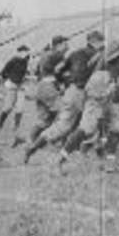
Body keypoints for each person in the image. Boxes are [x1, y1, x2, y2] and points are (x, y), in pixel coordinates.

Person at [58, 26, 119, 170]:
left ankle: (110, 163)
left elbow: (91, 62)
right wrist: (110, 82)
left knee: (117, 128)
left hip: (100, 81)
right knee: (87, 128)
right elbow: (116, 61)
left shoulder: (111, 45)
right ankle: (62, 158)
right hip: (104, 82)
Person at [24, 31, 104, 163]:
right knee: (93, 121)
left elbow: (58, 70)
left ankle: (33, 147)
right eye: (102, 41)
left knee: (64, 125)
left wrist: (67, 81)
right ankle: (92, 150)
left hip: (72, 91)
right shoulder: (98, 54)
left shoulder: (73, 53)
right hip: (85, 92)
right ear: (96, 41)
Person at [24, 35, 69, 150]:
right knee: (64, 113)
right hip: (49, 87)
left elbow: (37, 71)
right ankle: (58, 142)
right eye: (65, 43)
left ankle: (30, 139)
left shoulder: (45, 54)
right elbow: (60, 72)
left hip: (41, 87)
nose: (67, 46)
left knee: (45, 119)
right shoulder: (57, 55)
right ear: (58, 45)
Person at [0, 45, 30, 140]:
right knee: (8, 107)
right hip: (12, 85)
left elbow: (23, 73)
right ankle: (0, 124)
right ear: (19, 52)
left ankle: (16, 128)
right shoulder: (13, 60)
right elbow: (3, 73)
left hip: (20, 86)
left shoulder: (26, 61)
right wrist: (10, 79)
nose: (26, 53)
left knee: (20, 108)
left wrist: (24, 78)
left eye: (27, 51)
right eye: (25, 51)